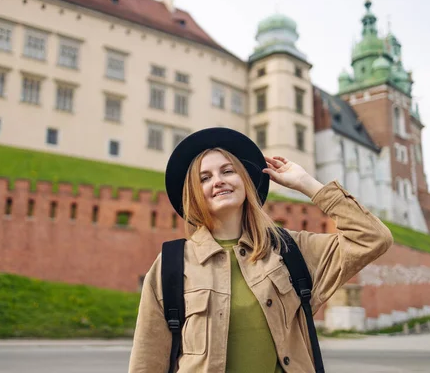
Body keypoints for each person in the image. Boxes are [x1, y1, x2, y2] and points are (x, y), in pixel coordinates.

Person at [128, 127, 394, 373]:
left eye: (228, 171)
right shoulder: (172, 264)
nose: (218, 181)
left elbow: (373, 238)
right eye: (205, 178)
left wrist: (307, 184)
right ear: (195, 193)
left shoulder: (290, 249)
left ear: (245, 180)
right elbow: (147, 360)